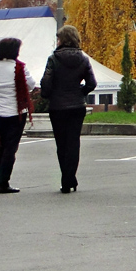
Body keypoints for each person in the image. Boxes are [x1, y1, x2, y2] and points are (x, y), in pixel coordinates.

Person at [41, 25, 97, 194]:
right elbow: (92, 83)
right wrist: (80, 92)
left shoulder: (54, 59)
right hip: (77, 106)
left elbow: (46, 83)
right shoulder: (83, 58)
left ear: (62, 40)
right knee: (73, 143)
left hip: (57, 106)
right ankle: (70, 179)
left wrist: (48, 95)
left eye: (58, 38)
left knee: (62, 144)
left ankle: (66, 179)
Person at [0, 37, 37, 194]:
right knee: (10, 149)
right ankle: (3, 183)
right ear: (14, 51)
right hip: (16, 114)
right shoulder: (19, 67)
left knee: (0, 148)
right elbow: (31, 85)